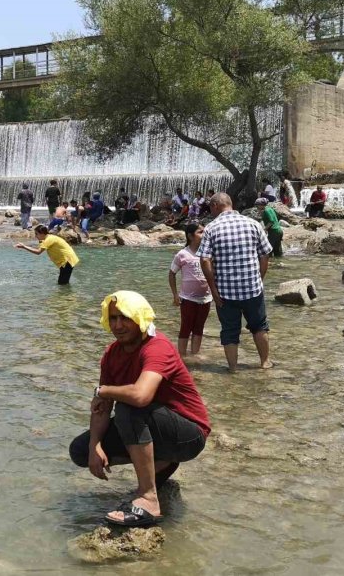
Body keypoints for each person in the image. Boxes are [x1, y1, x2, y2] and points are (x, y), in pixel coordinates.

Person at [68, 291, 209, 526]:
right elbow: (102, 408)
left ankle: (148, 498)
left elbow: (140, 396)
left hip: (189, 435)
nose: (118, 325)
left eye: (125, 318)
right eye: (113, 318)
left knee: (129, 407)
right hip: (153, 426)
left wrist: (102, 390)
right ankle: (161, 465)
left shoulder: (157, 347)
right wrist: (95, 446)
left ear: (140, 318)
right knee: (80, 450)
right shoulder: (111, 354)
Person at [197, 193, 273, 372]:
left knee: (230, 331)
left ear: (216, 206)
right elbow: (265, 254)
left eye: (210, 207)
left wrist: (213, 290)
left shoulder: (211, 228)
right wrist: (259, 279)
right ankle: (265, 362)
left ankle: (233, 368)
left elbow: (205, 260)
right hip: (252, 289)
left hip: (225, 293)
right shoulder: (253, 224)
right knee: (259, 326)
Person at [168, 224, 212, 357]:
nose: (204, 234)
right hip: (187, 298)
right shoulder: (183, 254)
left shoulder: (208, 253)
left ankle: (195, 355)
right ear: (190, 236)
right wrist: (175, 295)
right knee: (186, 327)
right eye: (200, 232)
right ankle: (181, 357)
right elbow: (172, 273)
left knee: (199, 328)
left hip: (206, 298)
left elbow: (213, 273)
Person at [15, 225, 79, 285]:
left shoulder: (48, 240)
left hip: (67, 260)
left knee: (62, 283)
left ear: (42, 233)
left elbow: (38, 252)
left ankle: (67, 296)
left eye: (36, 234)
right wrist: (40, 241)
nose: (35, 236)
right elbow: (40, 247)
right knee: (63, 282)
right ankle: (66, 296)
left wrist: (24, 246)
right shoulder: (47, 238)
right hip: (67, 260)